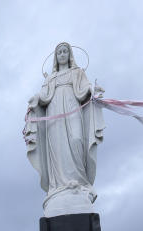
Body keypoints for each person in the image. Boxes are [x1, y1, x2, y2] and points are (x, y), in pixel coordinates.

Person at [24, 42, 105, 217]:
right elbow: (44, 97)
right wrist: (36, 98)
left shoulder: (78, 72)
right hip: (54, 114)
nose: (62, 54)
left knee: (76, 140)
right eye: (59, 52)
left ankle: (80, 183)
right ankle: (59, 187)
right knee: (58, 148)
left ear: (69, 55)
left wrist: (93, 90)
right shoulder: (50, 78)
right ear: (56, 56)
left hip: (72, 109)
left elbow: (84, 90)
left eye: (65, 51)